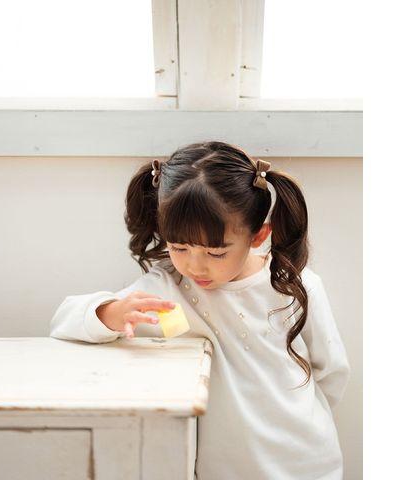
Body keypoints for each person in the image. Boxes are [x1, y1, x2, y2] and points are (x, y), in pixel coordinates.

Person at [50, 141, 350, 480]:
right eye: (179, 247)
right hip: (223, 469)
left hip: (307, 460)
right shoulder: (169, 290)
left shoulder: (294, 286)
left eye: (216, 253)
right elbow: (65, 320)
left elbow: (331, 372)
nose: (196, 266)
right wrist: (112, 313)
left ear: (257, 236)